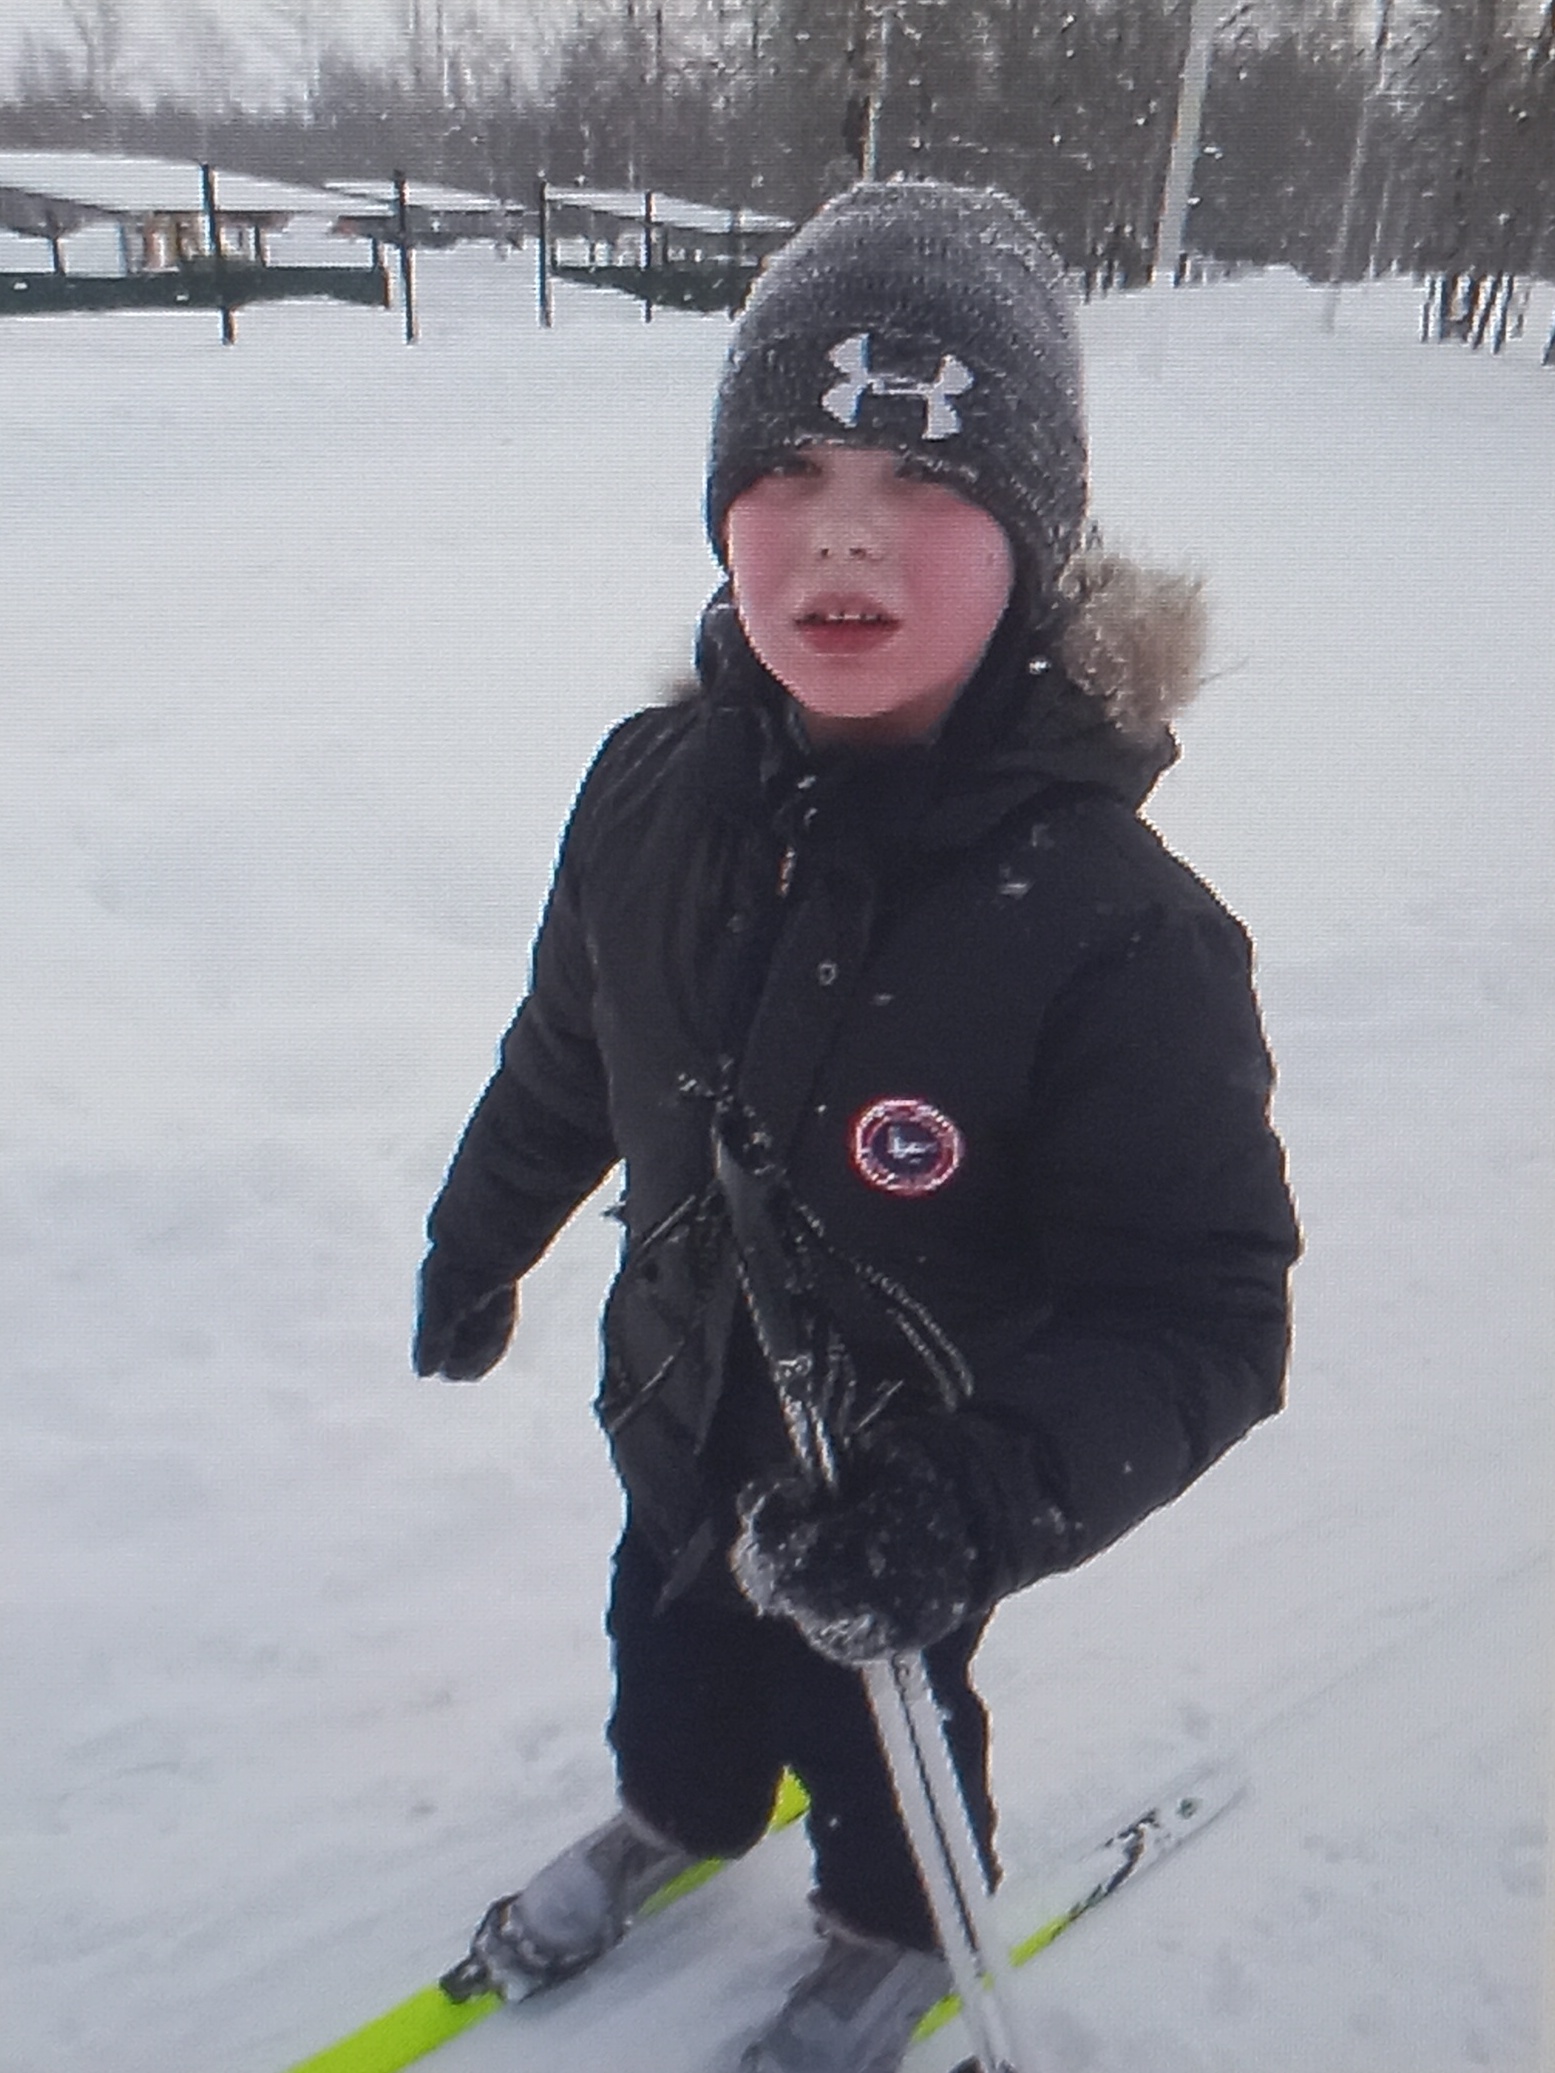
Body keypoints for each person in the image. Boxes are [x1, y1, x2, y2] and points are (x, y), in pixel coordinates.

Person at [414, 180, 1300, 2073]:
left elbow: (1204, 1313)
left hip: (902, 1488)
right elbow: (569, 1050)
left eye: (923, 476)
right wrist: (477, 1235)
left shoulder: (1117, 928)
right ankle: (680, 1810)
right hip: (674, 1410)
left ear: (1036, 540)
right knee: (668, 1646)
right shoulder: (646, 795)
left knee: (873, 1726)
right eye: (793, 466)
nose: (842, 529)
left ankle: (900, 1924)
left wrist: (964, 1503)